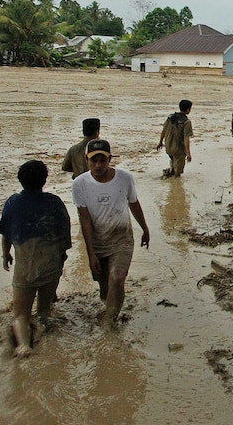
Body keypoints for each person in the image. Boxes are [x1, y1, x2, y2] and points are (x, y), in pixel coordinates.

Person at [0, 160, 71, 357]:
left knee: (20, 314)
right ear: (44, 180)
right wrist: (61, 259)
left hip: (25, 267)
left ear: (20, 180)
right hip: (50, 264)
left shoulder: (13, 203)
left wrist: (6, 254)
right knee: (45, 311)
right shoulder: (54, 202)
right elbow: (65, 235)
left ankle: (23, 345)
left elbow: (6, 233)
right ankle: (45, 333)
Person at [72, 139, 151, 325]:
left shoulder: (125, 178)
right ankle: (110, 304)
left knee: (117, 278)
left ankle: (109, 321)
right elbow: (84, 219)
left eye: (103, 160)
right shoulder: (79, 184)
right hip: (99, 241)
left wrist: (145, 228)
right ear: (86, 159)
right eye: (93, 161)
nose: (98, 165)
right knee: (104, 286)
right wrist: (91, 253)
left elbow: (134, 203)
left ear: (110, 159)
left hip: (121, 236)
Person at [157, 100, 194, 178]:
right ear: (188, 110)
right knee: (177, 174)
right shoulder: (186, 122)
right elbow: (186, 138)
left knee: (173, 161)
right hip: (178, 149)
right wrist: (188, 153)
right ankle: (175, 186)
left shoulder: (170, 117)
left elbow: (164, 130)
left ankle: (170, 173)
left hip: (168, 147)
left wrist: (160, 142)